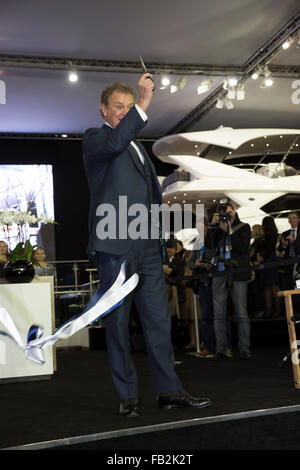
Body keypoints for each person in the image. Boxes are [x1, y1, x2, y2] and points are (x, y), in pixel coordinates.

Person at [82, 73, 212, 417]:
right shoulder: (96, 139)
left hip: (148, 248)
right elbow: (115, 143)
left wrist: (162, 238)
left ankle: (169, 391)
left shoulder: (137, 147)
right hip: (116, 247)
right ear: (103, 110)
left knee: (159, 322)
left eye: (129, 106)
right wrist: (142, 104)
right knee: (119, 325)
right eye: (119, 107)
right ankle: (127, 396)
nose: (125, 112)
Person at [206, 201, 251, 359]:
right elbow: (209, 250)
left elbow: (242, 248)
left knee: (241, 313)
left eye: (229, 213)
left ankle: (244, 348)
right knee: (218, 314)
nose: (226, 216)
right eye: (224, 213)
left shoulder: (244, 227)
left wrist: (230, 230)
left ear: (235, 212)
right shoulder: (217, 229)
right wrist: (212, 227)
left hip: (238, 273)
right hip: (219, 273)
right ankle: (221, 349)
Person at [254, 217, 280, 318]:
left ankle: (277, 309)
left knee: (272, 286)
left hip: (269, 261)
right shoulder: (269, 235)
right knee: (268, 287)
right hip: (268, 260)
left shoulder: (271, 235)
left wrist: (261, 258)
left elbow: (269, 249)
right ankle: (270, 310)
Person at [280, 212, 300, 290]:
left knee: (298, 283)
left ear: (298, 220)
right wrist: (284, 245)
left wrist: (293, 242)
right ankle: (292, 301)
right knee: (289, 283)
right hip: (288, 262)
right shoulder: (285, 233)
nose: (292, 220)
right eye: (290, 218)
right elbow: (280, 249)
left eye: (294, 218)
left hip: (298, 263)